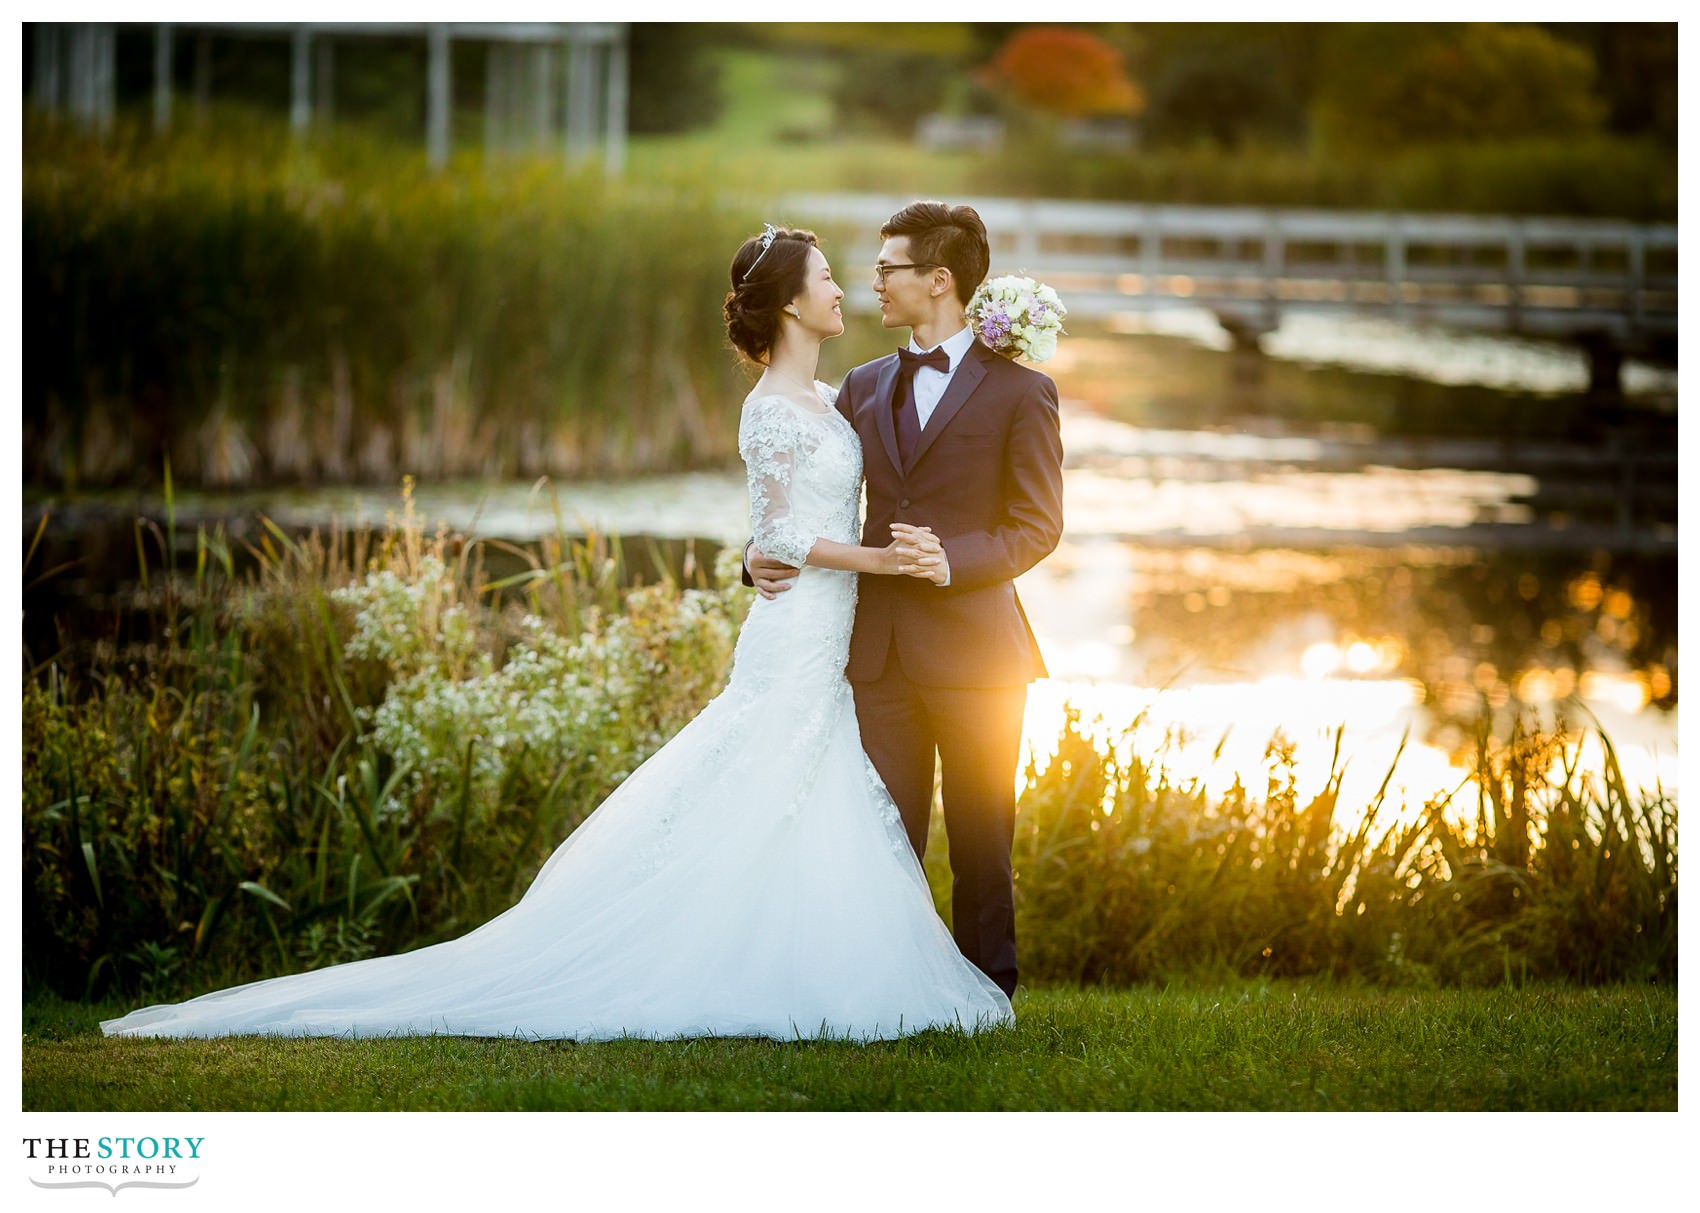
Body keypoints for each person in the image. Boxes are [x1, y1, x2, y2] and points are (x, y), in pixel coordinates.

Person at [100, 226, 1013, 1042]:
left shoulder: (837, 393)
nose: (845, 289)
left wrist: (800, 553)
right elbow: (776, 529)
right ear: (786, 303)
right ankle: (719, 962)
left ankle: (808, 956)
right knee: (770, 779)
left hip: (834, 635)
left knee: (811, 796)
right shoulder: (776, 405)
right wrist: (838, 560)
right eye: (825, 278)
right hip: (804, 632)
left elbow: (812, 512)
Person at [746, 202, 1065, 1000]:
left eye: (889, 268)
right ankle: (892, 988)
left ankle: (991, 991)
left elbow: (1037, 527)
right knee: (883, 835)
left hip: (979, 653)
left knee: (984, 839)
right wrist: (752, 560)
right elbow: (800, 502)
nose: (874, 281)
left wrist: (949, 560)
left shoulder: (1024, 392)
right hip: (876, 651)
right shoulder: (860, 384)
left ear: (940, 280)